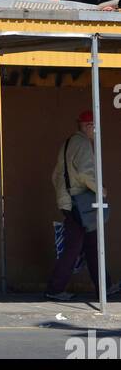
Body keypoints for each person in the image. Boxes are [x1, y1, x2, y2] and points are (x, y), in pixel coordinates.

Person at [46, 109, 117, 301]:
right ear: (88, 126)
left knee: (91, 245)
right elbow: (86, 173)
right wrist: (100, 189)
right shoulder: (83, 144)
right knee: (75, 248)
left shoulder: (68, 143)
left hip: (69, 202)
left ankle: (105, 287)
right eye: (95, 127)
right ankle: (54, 289)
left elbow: (55, 176)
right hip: (81, 204)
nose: (96, 131)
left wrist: (64, 196)